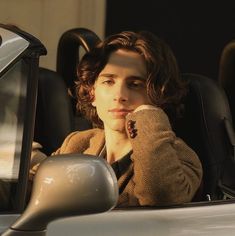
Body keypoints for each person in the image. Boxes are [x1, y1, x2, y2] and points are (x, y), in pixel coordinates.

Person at [33, 30, 203, 207]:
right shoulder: (78, 144)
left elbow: (160, 197)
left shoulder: (182, 157)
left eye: (135, 85)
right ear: (92, 92)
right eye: (108, 82)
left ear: (158, 94)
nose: (120, 95)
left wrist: (148, 114)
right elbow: (36, 186)